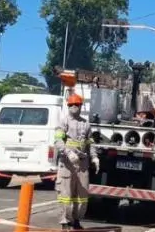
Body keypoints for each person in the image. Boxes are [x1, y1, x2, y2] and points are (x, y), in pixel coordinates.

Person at [54, 93, 99, 231]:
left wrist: (94, 157)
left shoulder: (86, 124)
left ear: (80, 106)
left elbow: (90, 143)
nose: (74, 107)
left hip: (82, 163)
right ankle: (65, 222)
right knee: (65, 195)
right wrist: (68, 152)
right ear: (68, 106)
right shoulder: (63, 122)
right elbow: (58, 140)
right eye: (72, 104)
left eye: (77, 104)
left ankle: (76, 220)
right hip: (67, 163)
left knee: (82, 196)